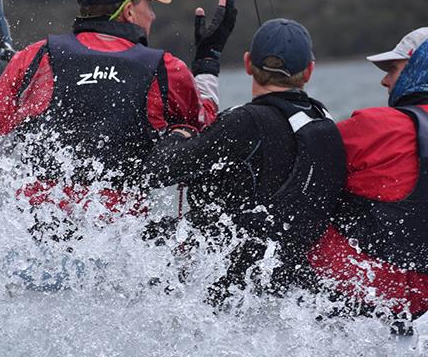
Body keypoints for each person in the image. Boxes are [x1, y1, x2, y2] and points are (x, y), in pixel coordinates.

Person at [0, 0, 237, 217]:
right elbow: (205, 128)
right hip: (117, 239)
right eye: (149, 4)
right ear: (129, 11)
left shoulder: (37, 56)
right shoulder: (166, 68)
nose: (154, 15)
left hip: (33, 230)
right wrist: (208, 58)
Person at [307, 27, 428, 326]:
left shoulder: (379, 126)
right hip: (410, 311)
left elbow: (303, 158)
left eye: (393, 70)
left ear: (421, 70)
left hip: (337, 295)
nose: (384, 80)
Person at [143, 18, 346, 304]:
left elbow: (160, 171)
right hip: (289, 287)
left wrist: (179, 132)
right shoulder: (326, 124)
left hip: (227, 289)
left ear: (248, 63)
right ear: (309, 71)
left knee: (141, 235)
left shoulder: (243, 123)